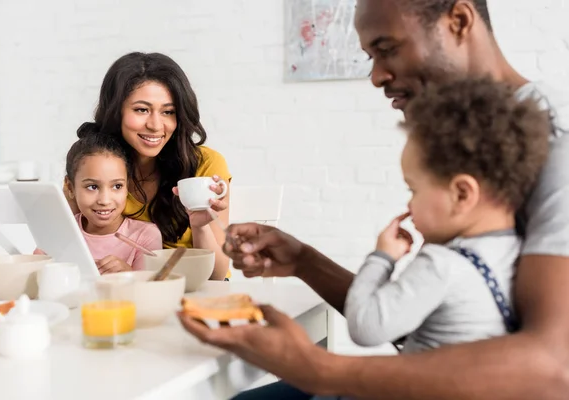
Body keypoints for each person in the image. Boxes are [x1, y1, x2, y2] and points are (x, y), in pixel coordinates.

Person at [179, 0, 569, 399]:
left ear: (459, 21)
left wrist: (321, 370)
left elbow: (554, 368)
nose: (377, 76)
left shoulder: (557, 141)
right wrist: (303, 261)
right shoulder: (481, 136)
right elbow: (437, 326)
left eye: (388, 49)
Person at [346, 77, 549, 353]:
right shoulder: (517, 251)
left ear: (462, 194)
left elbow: (364, 327)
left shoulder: (440, 265)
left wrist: (382, 258)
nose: (409, 205)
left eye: (413, 190)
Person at [66, 52, 232, 280]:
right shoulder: (93, 167)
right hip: (124, 294)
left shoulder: (206, 165)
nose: (155, 125)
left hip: (195, 290)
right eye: (141, 110)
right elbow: (68, 249)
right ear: (116, 111)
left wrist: (201, 225)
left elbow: (218, 275)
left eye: (168, 112)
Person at [64, 133, 162, 273]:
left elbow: (152, 289)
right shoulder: (61, 231)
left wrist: (128, 274)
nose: (104, 200)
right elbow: (35, 279)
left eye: (117, 186)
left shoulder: (145, 236)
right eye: (92, 187)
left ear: (127, 186)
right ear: (70, 187)